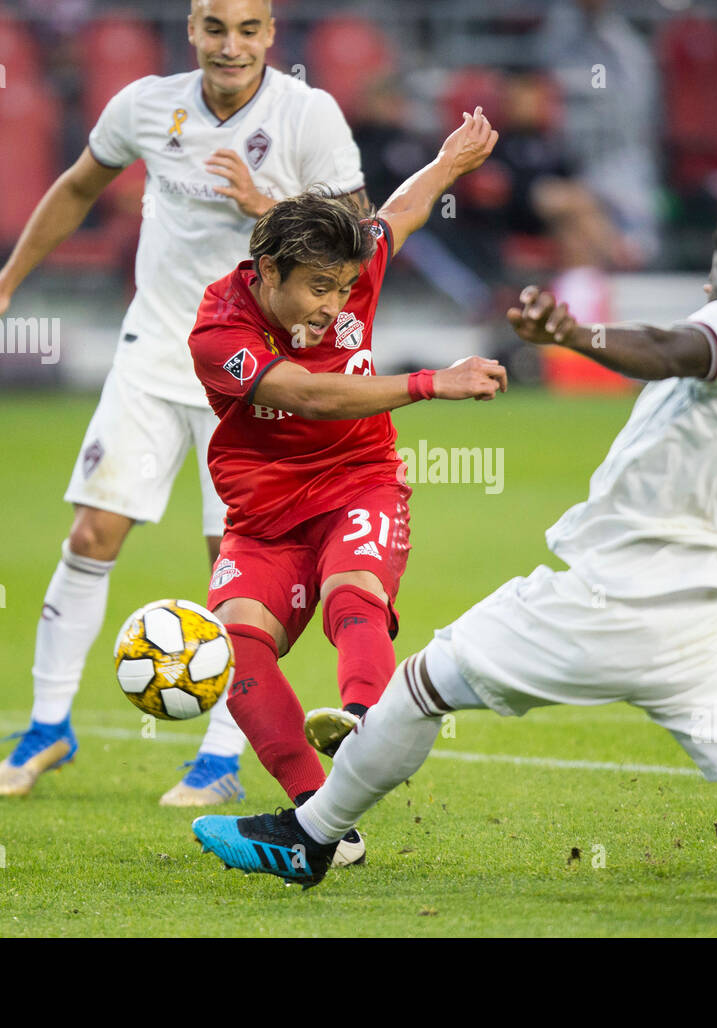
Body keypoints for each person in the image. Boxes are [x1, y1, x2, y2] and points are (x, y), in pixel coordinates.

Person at [190, 141, 717, 922]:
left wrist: (576, 337)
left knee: (417, 690)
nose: (708, 285)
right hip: (714, 633)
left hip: (603, 598)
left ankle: (312, 836)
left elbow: (672, 346)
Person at [0, 0, 371, 805]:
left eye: (248, 30)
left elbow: (362, 237)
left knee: (237, 570)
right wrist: (4, 288)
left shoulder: (310, 116)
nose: (231, 45)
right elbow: (78, 186)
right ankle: (49, 727)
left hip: (257, 373)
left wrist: (269, 210)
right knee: (92, 531)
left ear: (270, 36)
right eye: (215, 27)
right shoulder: (147, 105)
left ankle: (220, 757)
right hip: (155, 351)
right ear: (191, 29)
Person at [186, 109, 505, 866]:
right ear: (266, 272)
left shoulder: (349, 265)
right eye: (317, 289)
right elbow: (310, 396)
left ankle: (363, 720)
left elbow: (399, 212)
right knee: (234, 647)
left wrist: (450, 162)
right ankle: (320, 822)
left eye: (343, 287)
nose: (333, 306)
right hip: (263, 517)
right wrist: (433, 383)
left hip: (360, 483)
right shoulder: (218, 332)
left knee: (354, 590)